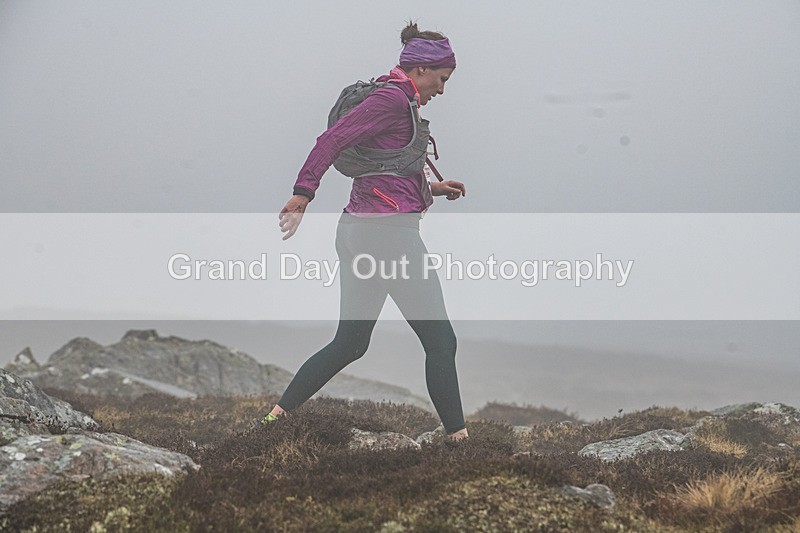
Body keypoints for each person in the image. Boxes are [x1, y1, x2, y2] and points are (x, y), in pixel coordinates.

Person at [264, 21, 469, 442]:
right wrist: (303, 193)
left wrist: (430, 189)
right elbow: (331, 141)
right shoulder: (393, 100)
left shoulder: (396, 97)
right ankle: (459, 443)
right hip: (388, 237)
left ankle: (271, 423)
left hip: (358, 231)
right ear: (421, 70)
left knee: (351, 342)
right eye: (442, 79)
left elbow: (381, 173)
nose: (443, 90)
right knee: (441, 341)